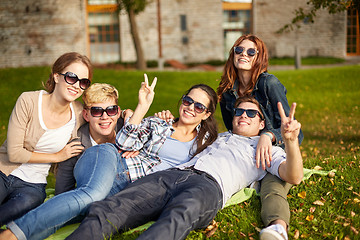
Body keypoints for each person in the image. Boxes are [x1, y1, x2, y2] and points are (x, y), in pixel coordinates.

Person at [0, 76, 219, 240]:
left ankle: (21, 231)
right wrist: (143, 105)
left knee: (80, 211)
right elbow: (124, 144)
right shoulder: (158, 123)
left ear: (207, 114)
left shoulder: (207, 143)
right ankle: (12, 234)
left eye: (199, 106)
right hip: (111, 159)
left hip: (133, 190)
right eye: (188, 100)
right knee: (91, 194)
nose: (190, 107)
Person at [64, 96, 303, 240]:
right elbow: (178, 135)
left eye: (252, 113)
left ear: (262, 123)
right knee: (112, 208)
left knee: (177, 217)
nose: (243, 115)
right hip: (171, 175)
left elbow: (294, 175)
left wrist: (290, 141)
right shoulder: (215, 136)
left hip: (209, 187)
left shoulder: (265, 148)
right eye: (240, 111)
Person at [217, 34, 304, 239]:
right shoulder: (228, 92)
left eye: (250, 51)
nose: (243, 55)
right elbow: (234, 129)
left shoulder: (268, 84)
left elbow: (295, 136)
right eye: (239, 50)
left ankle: (277, 228)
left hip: (275, 153)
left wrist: (269, 135)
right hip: (245, 152)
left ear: (259, 57)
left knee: (272, 190)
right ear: (233, 55)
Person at [0, 52, 92, 226]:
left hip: (33, 187)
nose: (77, 86)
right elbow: (14, 153)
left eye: (83, 82)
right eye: (72, 77)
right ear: (56, 76)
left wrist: (129, 113)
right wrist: (57, 156)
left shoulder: (79, 112)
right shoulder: (29, 100)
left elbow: (104, 116)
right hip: (3, 171)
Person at [55, 83, 132, 195]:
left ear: (118, 112)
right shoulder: (75, 147)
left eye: (111, 110)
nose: (105, 117)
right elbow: (62, 191)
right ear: (86, 115)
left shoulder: (128, 130)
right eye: (97, 111)